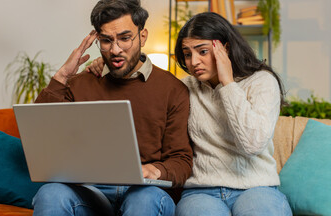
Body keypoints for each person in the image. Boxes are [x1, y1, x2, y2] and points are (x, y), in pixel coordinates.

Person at [87, 12, 292, 216]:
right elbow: (142, 80)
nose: (194, 62)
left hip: (256, 188)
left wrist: (227, 83)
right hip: (201, 192)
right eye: (187, 54)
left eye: (202, 51)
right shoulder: (183, 88)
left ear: (225, 48)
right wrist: (108, 63)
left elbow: (252, 144)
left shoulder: (261, 82)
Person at [32, 0, 193, 216]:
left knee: (145, 199)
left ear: (142, 36)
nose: (115, 50)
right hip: (91, 192)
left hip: (144, 192)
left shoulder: (173, 89)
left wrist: (155, 170)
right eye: (106, 41)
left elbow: (182, 160)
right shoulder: (80, 83)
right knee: (51, 193)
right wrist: (62, 76)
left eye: (125, 38)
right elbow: (38, 136)